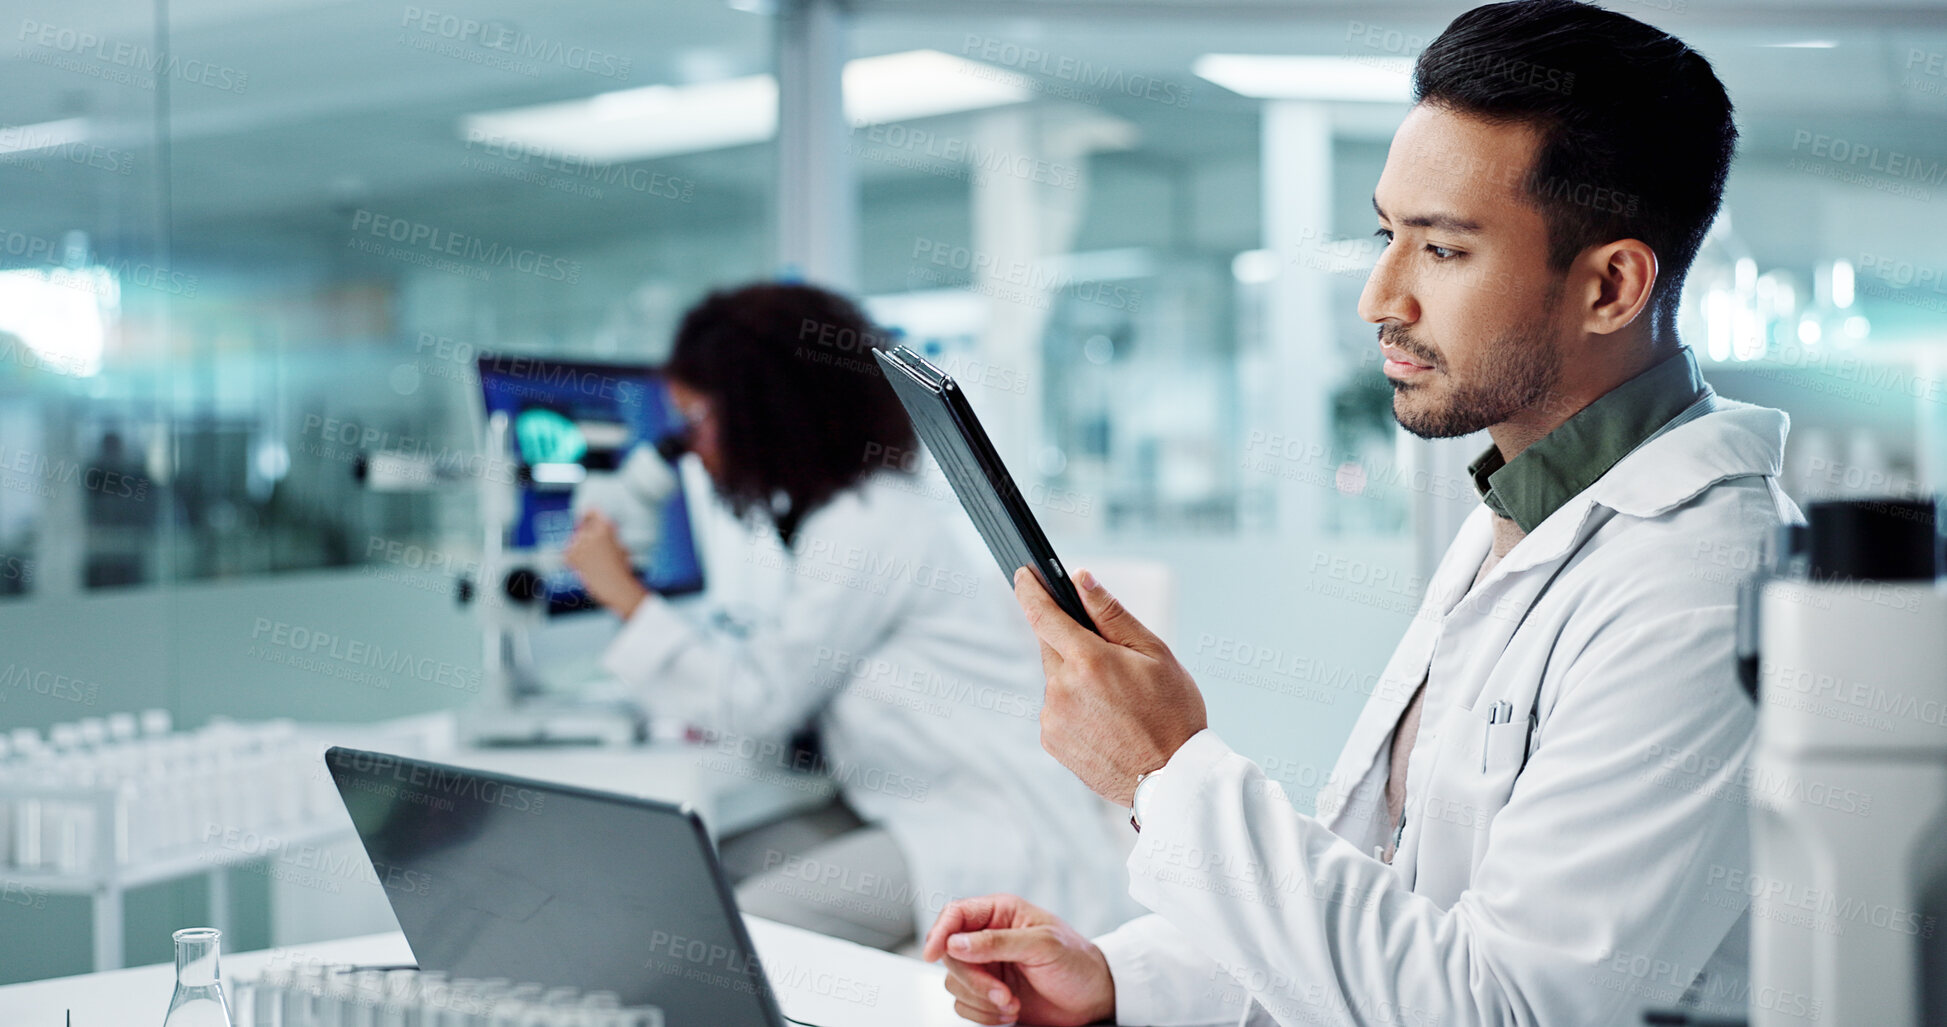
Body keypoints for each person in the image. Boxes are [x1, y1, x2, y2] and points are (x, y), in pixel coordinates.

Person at [923, 2, 1800, 1024]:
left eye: (1442, 250)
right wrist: (1129, 981)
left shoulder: (1706, 582)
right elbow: (1394, 897)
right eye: (1388, 235)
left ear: (1610, 284)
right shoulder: (1527, 505)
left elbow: (1503, 1007)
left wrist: (1167, 772)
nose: (1378, 297)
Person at [564, 282, 1138, 950]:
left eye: (697, 419)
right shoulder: (853, 513)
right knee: (689, 874)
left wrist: (625, 599)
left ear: (761, 411)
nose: (690, 447)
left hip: (981, 824)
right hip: (913, 805)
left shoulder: (863, 527)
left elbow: (758, 701)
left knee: (731, 937)